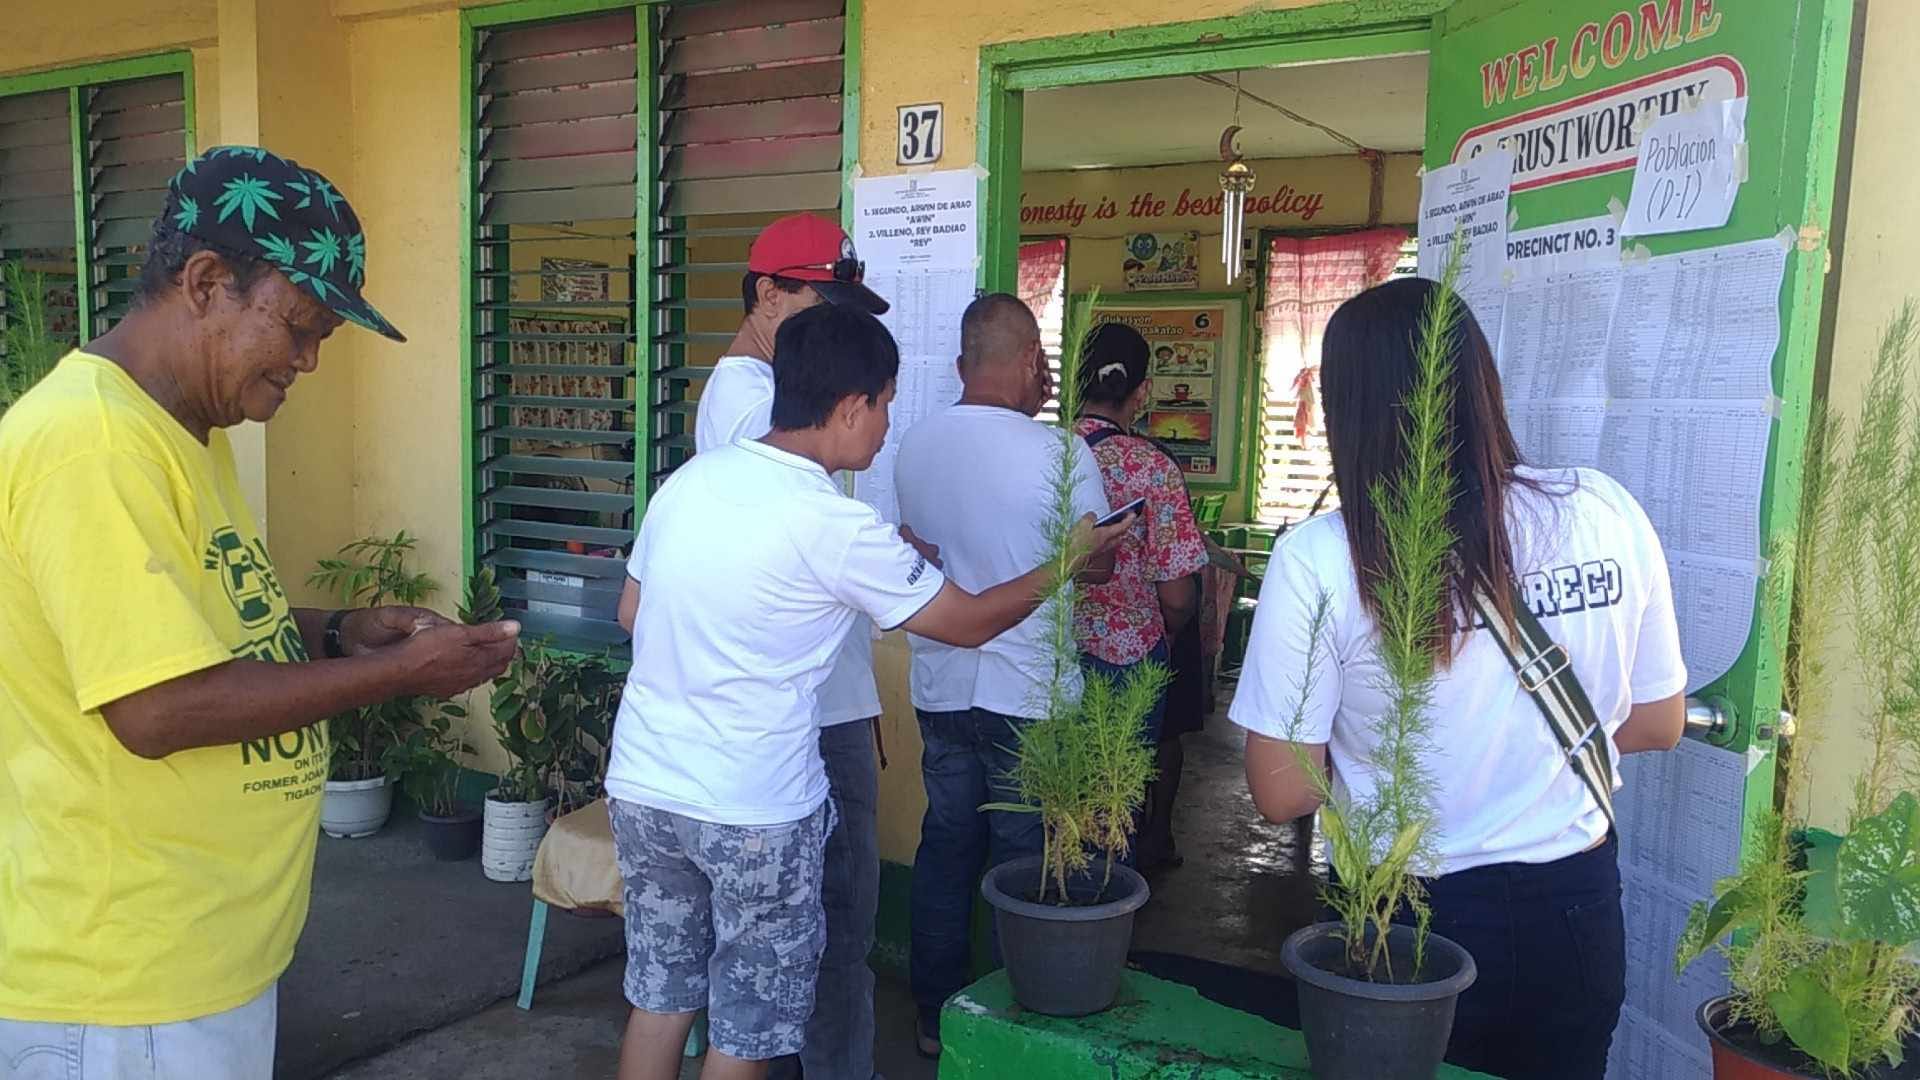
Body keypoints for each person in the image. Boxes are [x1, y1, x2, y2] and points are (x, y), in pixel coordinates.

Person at [0, 145, 520, 1079]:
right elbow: (157, 707)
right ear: (207, 283)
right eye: (301, 325)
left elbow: (203, 629)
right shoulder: (93, 445)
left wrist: (340, 633)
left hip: (195, 964)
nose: (309, 359)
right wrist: (399, 675)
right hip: (123, 990)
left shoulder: (179, 432)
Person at [606, 302, 1130, 1080]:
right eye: (884, 404)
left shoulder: (690, 483)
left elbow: (631, 611)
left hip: (644, 789)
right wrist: (1068, 558)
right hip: (751, 807)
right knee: (745, 1030)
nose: (887, 428)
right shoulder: (834, 524)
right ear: (851, 406)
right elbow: (970, 622)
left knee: (662, 998)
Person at [1229, 278, 1686, 1080]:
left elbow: (1281, 789)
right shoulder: (1605, 510)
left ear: (1348, 408)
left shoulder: (1324, 558)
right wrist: (1515, 757)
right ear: (1479, 379)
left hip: (1402, 918)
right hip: (1575, 909)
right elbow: (1659, 722)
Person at [692, 212, 891, 1080]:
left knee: (804, 938)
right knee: (835, 930)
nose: (836, 331)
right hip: (808, 717)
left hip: (822, 703)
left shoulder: (760, 394)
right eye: (822, 305)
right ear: (768, 294)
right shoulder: (753, 405)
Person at [892, 293, 1112, 1057]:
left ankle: (934, 1016)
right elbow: (1096, 562)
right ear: (1029, 362)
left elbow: (916, 547)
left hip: (942, 686)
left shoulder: (914, 444)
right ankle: (1016, 1026)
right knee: (1025, 863)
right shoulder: (1061, 453)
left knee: (947, 847)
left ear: (962, 364)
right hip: (1030, 693)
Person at [1071, 323, 1210, 871]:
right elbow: (1176, 595)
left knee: (1052, 795)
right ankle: (1106, 902)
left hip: (1045, 652)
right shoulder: (1153, 468)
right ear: (1143, 390)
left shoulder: (1046, 453)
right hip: (1128, 662)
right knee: (1112, 803)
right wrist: (1166, 632)